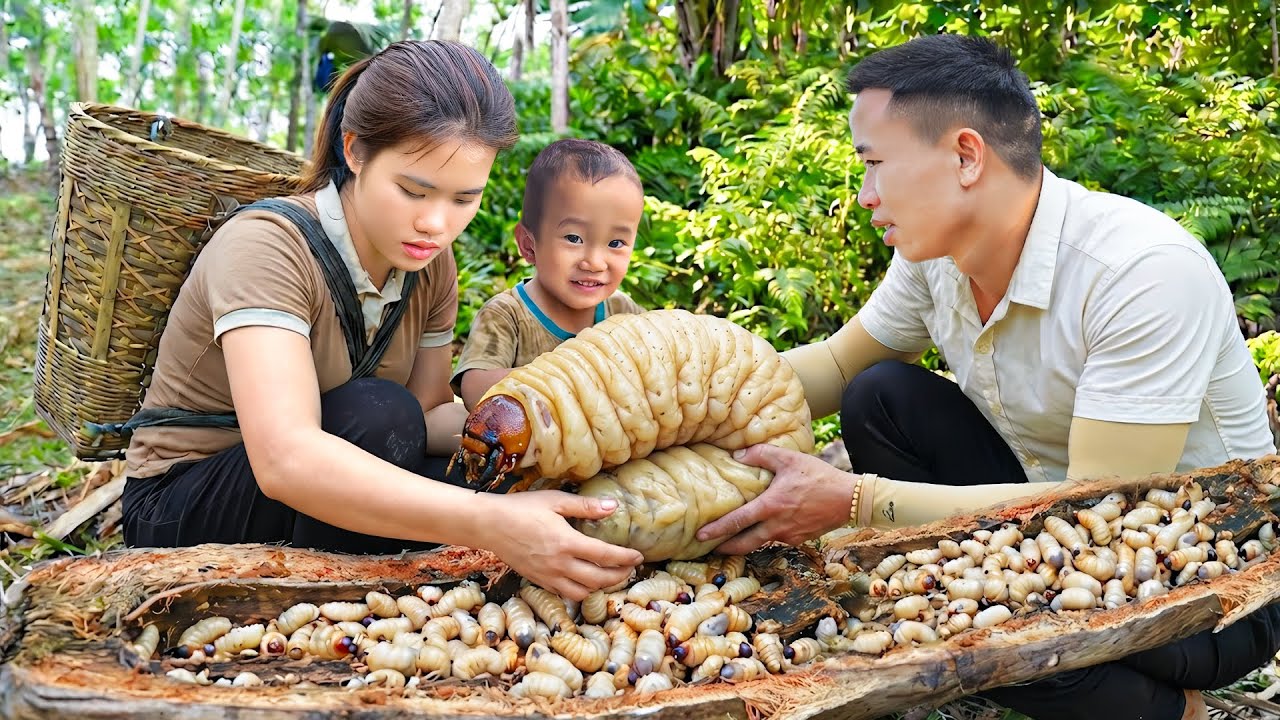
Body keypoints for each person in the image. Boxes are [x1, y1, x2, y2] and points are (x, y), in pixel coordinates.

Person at [695, 35, 1279, 720]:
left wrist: (857, 504)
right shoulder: (935, 257)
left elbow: (1101, 512)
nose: (864, 195)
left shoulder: (1140, 271)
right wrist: (687, 406)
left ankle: (1163, 711)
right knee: (881, 394)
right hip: (1043, 535)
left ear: (966, 156)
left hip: (1210, 585)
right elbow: (833, 365)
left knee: (948, 617)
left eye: (876, 164)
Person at [120, 40, 643, 601]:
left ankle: (380, 589)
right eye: (413, 191)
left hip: (336, 465)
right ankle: (341, 598)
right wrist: (490, 520)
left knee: (454, 457)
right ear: (355, 151)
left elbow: (429, 412)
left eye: (465, 200)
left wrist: (547, 436)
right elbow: (285, 459)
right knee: (376, 413)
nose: (437, 224)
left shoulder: (431, 267)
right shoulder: (266, 247)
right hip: (186, 506)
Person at [452, 138, 645, 410]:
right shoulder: (508, 315)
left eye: (615, 243)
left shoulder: (624, 312)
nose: (594, 262)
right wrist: (567, 377)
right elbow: (474, 388)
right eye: (574, 238)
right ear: (529, 245)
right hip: (532, 447)